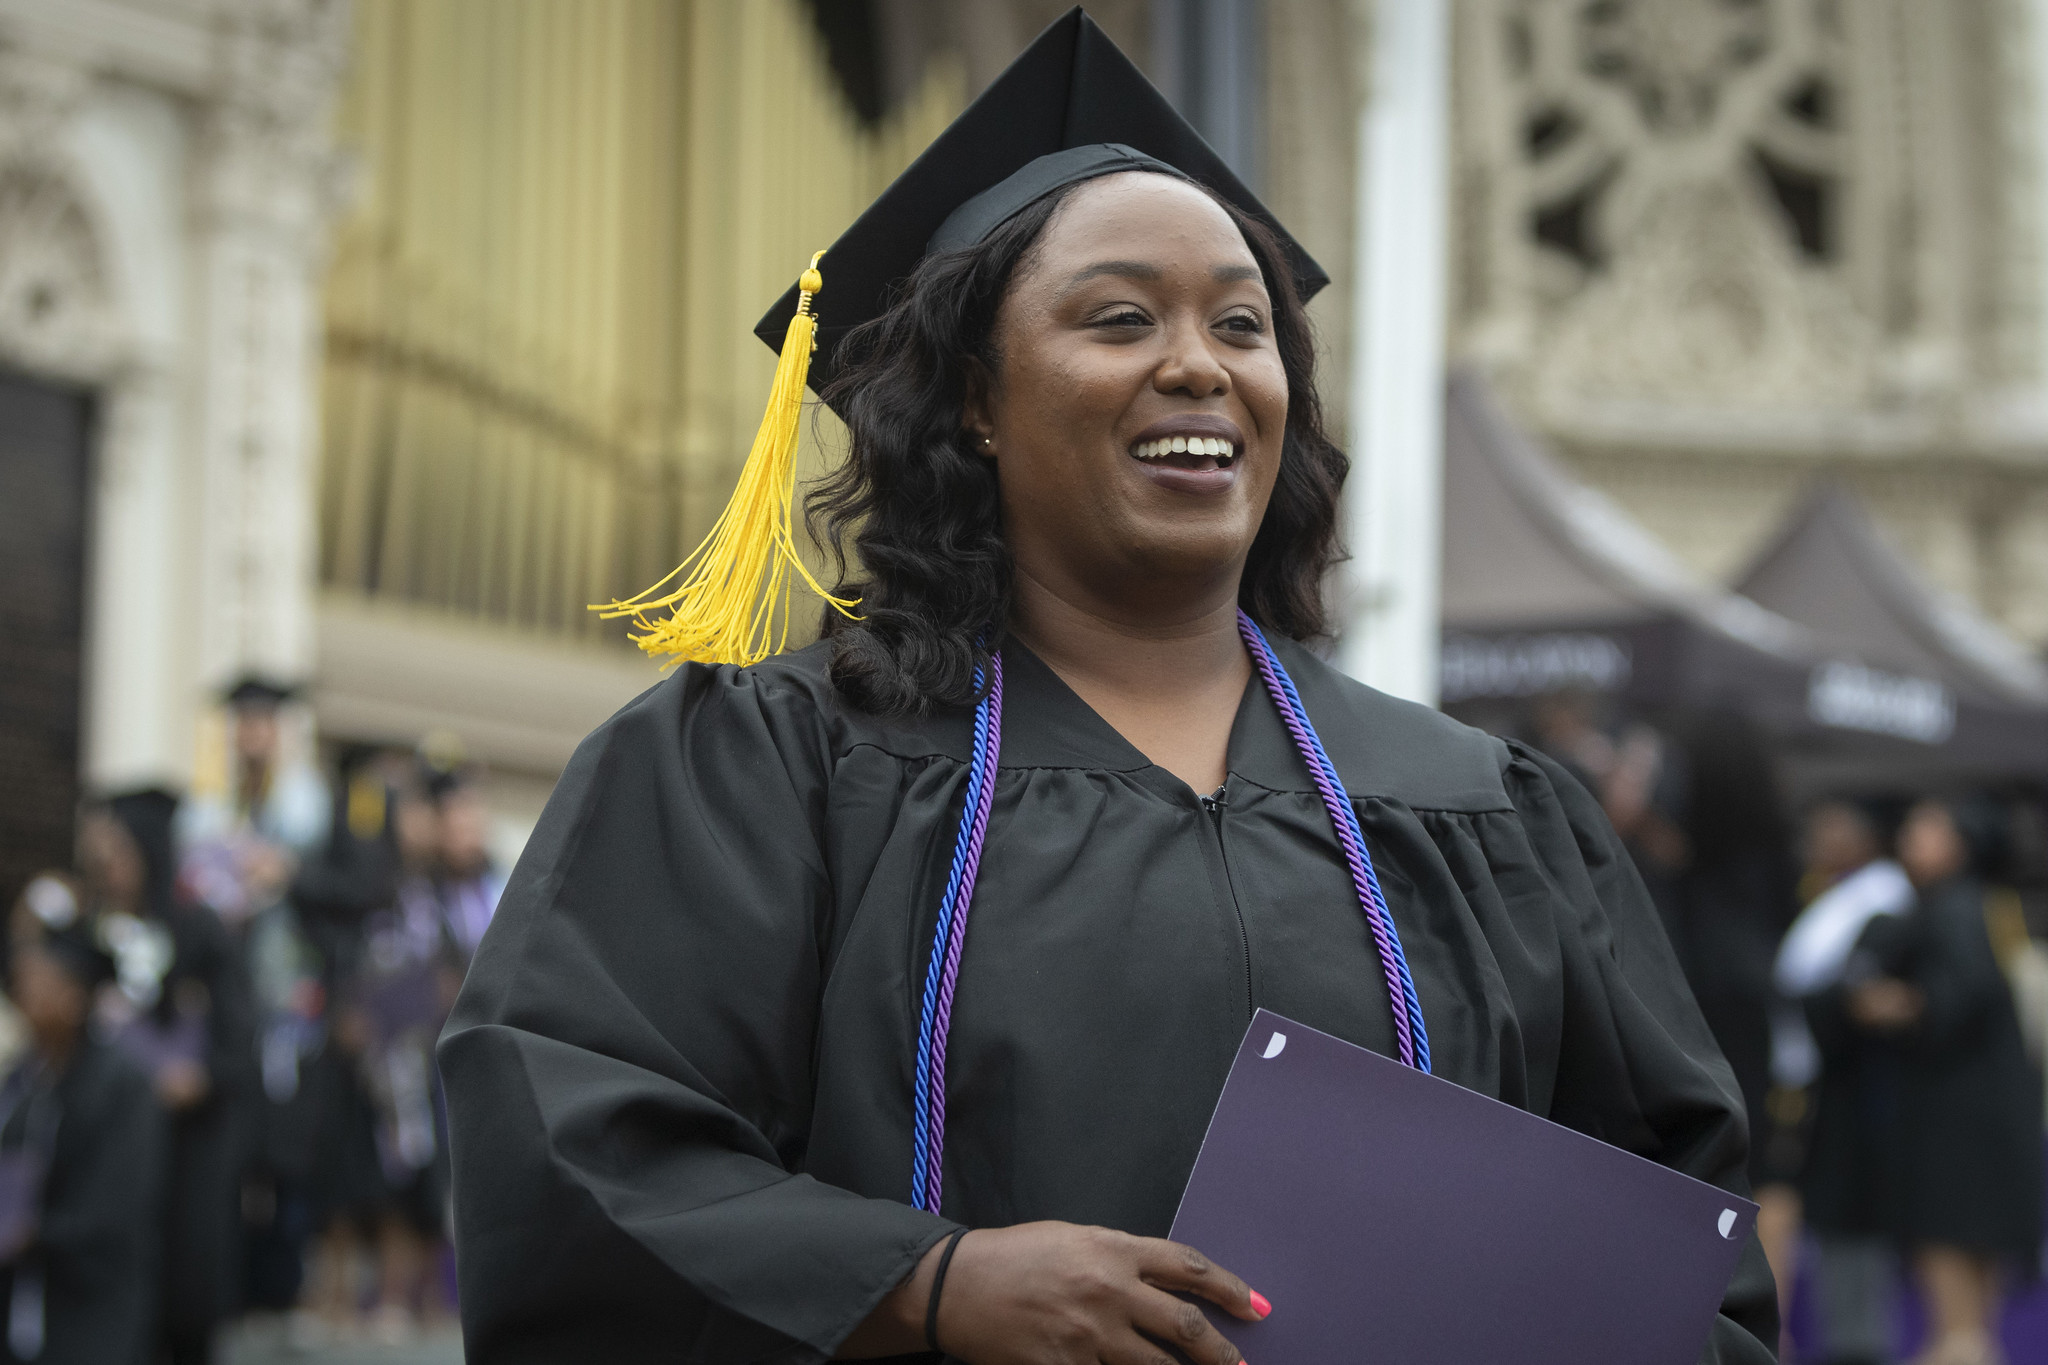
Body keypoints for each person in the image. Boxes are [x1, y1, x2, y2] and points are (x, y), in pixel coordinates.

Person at [439, 14, 1777, 1362]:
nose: (1200, 363)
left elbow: (1682, 1253)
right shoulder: (770, 772)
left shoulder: (1485, 814)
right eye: (1121, 317)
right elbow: (571, 1150)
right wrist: (926, 1287)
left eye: (1242, 325)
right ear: (975, 399)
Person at [1853, 800, 2041, 1365]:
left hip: (1958, 1140)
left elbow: (1953, 998)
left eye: (1927, 826)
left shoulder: (1952, 909)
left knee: (1958, 1331)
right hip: (1993, 1129)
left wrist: (1884, 1003)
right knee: (1973, 1327)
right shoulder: (1981, 908)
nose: (1910, 834)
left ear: (1960, 842)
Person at [80, 791, 254, 1365]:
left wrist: (197, 1078)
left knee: (182, 1301)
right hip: (113, 1154)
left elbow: (238, 1044)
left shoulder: (199, 931)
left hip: (187, 1150)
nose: (109, 865)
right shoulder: (91, 935)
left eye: (120, 851)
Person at [0, 905, 165, 1365]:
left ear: (74, 998)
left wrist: (37, 1233)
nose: (22, 990)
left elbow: (118, 1202)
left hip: (93, 1307)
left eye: (38, 981)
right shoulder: (26, 1078)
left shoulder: (123, 1084)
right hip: (24, 1299)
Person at [1781, 800, 1915, 1365]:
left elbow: (1856, 997)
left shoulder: (1884, 900)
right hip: (1824, 1091)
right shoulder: (1832, 897)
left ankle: (1860, 1347)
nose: (1817, 839)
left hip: (1866, 1101)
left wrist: (1837, 1005)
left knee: (1858, 1232)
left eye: (1831, 829)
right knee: (1834, 1228)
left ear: (1864, 838)